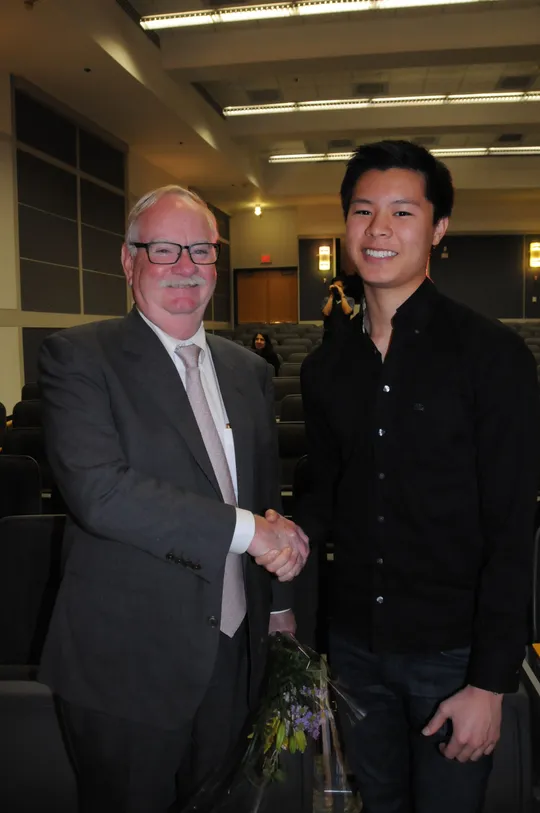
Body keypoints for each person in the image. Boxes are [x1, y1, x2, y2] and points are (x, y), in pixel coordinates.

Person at [38, 185, 309, 813]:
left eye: (201, 250)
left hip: (233, 652)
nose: (185, 267)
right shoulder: (78, 358)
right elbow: (101, 493)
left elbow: (265, 498)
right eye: (163, 250)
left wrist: (278, 608)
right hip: (128, 665)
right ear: (128, 262)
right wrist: (250, 533)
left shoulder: (249, 372)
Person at [298, 141, 540, 813]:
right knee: (378, 804)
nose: (379, 229)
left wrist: (490, 684)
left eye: (403, 212)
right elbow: (322, 494)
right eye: (363, 210)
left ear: (437, 229)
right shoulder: (327, 367)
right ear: (345, 224)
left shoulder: (493, 357)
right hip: (354, 650)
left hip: (452, 658)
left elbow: (513, 528)